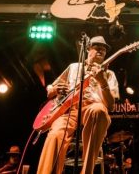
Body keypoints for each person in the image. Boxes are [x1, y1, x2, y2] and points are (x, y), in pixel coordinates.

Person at [36, 36, 119, 174]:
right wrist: (55, 89)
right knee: (55, 135)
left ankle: (86, 171)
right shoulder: (74, 67)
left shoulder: (109, 74)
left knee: (100, 111)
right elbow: (50, 91)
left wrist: (102, 82)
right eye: (97, 48)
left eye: (103, 50)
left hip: (92, 107)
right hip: (68, 110)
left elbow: (110, 106)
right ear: (87, 49)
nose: (101, 51)